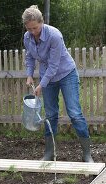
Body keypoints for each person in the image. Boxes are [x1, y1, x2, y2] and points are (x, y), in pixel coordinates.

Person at [22, 5, 94, 162]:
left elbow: (54, 65)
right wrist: (29, 75)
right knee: (51, 115)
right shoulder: (27, 37)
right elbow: (29, 57)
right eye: (29, 29)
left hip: (66, 74)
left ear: (41, 22)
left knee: (74, 113)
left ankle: (87, 154)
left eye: (35, 28)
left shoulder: (54, 35)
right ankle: (49, 153)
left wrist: (41, 84)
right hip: (47, 77)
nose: (33, 32)